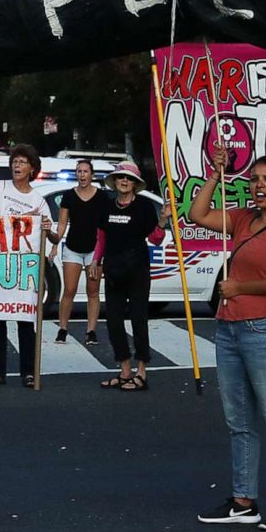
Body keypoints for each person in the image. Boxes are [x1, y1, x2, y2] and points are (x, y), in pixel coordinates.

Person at [190, 150, 266, 531]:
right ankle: (244, 501)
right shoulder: (242, 218)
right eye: (254, 179)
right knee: (239, 421)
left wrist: (239, 286)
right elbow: (197, 215)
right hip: (229, 329)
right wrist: (216, 174)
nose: (259, 185)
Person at [0, 144, 59, 387]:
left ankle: (28, 371)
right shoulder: (0, 188)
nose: (17, 165)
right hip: (1, 261)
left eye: (23, 162)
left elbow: (53, 236)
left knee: (25, 320)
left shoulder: (39, 200)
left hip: (25, 267)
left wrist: (45, 227)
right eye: (15, 161)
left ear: (32, 169)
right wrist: (27, 218)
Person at [96, 162, 163, 391]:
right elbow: (102, 237)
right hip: (113, 270)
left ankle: (141, 371)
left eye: (128, 178)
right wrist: (96, 261)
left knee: (138, 319)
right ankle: (124, 370)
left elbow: (155, 239)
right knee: (113, 321)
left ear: (135, 184)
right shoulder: (107, 206)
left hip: (137, 270)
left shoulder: (143, 206)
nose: (124, 181)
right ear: (114, 182)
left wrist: (163, 221)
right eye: (120, 178)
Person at [54, 159, 109, 346]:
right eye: (79, 171)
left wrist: (102, 252)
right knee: (69, 289)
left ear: (91, 174)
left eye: (85, 171)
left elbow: (106, 226)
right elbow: (62, 224)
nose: (82, 175)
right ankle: (62, 329)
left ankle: (91, 331)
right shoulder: (69, 196)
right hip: (72, 247)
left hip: (94, 249)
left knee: (93, 291)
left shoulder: (102, 197)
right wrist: (55, 240)